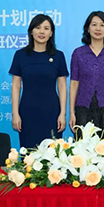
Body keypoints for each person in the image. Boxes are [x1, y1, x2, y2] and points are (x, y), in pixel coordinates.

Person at [10, 14, 68, 149]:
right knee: (29, 153)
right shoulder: (20, 55)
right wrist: (15, 113)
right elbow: (16, 86)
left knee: (53, 153)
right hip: (27, 111)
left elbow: (62, 86)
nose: (42, 32)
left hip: (52, 112)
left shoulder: (58, 56)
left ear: (51, 33)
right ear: (31, 31)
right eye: (38, 27)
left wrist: (62, 114)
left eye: (46, 28)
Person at [69, 11, 104, 139]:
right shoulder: (78, 53)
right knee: (83, 146)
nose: (98, 29)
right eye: (94, 25)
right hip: (83, 107)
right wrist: (71, 112)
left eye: (102, 25)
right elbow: (74, 83)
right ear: (88, 28)